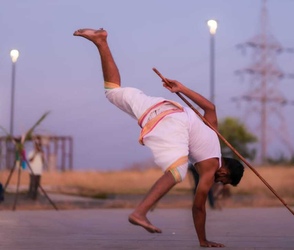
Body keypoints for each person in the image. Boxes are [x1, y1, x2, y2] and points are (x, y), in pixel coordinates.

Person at [73, 28, 244, 248]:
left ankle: (101, 42)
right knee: (178, 171)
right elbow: (199, 206)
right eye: (223, 181)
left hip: (162, 106)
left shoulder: (213, 133)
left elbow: (210, 107)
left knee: (113, 91)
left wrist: (180, 87)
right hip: (174, 122)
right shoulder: (211, 168)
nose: (216, 183)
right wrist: (203, 240)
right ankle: (140, 213)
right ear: (224, 171)